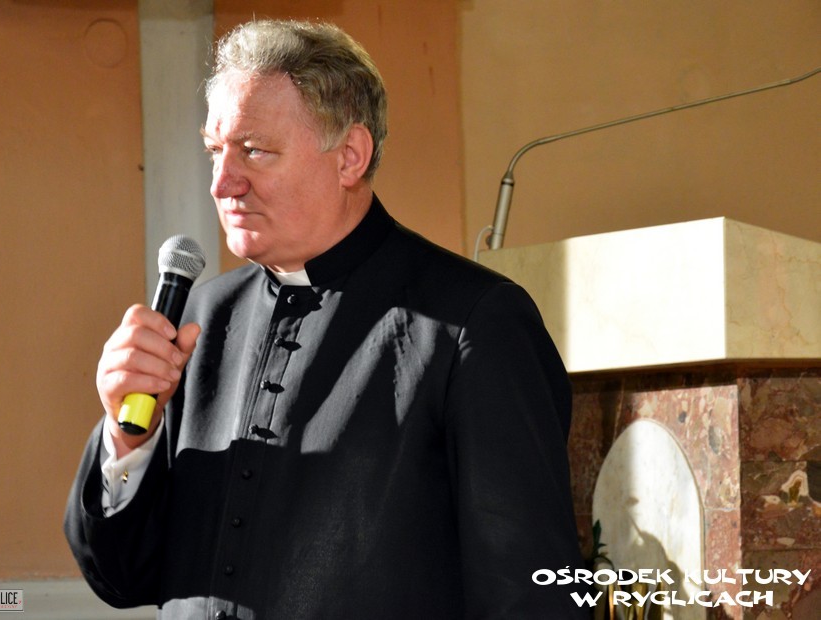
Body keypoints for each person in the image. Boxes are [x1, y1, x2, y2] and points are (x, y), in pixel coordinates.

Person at [65, 19, 587, 619]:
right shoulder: (202, 318)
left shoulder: (472, 322)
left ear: (349, 157)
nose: (222, 183)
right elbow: (122, 578)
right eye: (214, 150)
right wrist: (128, 438)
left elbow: (530, 595)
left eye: (254, 150)